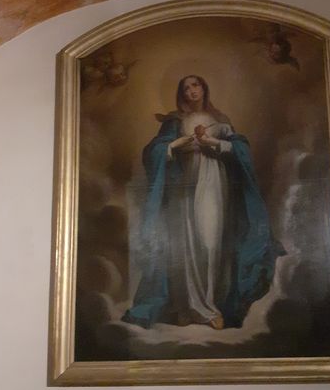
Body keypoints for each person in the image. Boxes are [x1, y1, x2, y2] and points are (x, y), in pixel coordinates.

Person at [122, 75, 285, 329]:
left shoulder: (221, 120)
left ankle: (208, 306)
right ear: (181, 94)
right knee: (186, 247)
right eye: (186, 88)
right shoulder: (174, 122)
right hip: (183, 188)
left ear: (204, 88)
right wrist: (176, 144)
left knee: (209, 243)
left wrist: (213, 143)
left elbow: (240, 151)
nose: (191, 91)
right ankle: (187, 307)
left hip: (214, 185)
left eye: (195, 85)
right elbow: (153, 152)